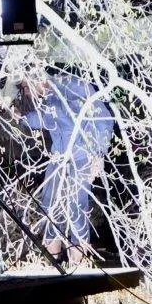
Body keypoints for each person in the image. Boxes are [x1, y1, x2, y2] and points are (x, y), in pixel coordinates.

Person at [20, 70, 115, 264]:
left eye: (25, 87)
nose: (27, 94)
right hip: (59, 158)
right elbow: (44, 120)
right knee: (49, 204)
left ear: (34, 78)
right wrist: (15, 116)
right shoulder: (48, 98)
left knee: (76, 205)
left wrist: (98, 154)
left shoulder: (75, 86)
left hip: (83, 156)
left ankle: (77, 262)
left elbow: (103, 118)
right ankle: (52, 262)